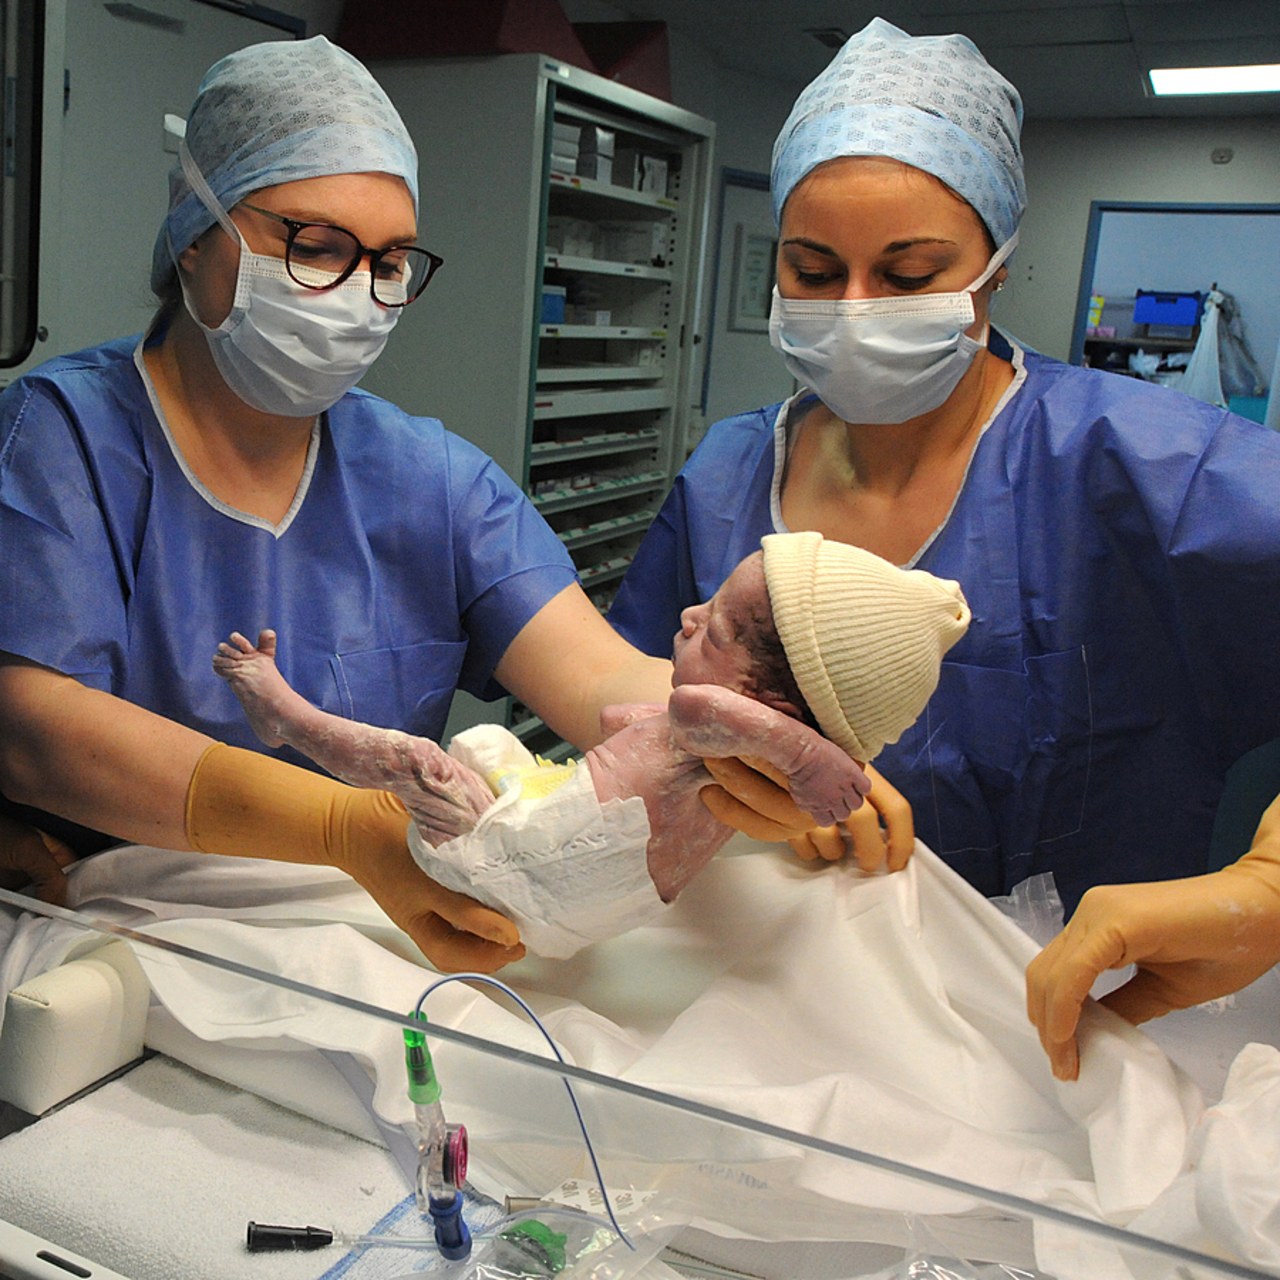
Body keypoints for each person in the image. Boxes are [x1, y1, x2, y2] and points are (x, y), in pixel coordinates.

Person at [606, 17, 1280, 1075]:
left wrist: (1273, 878)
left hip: (1070, 1019)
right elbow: (642, 693)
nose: (856, 309)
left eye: (910, 270)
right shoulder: (728, 474)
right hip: (770, 1002)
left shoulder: (1136, 465)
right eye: (812, 268)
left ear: (998, 267)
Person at [0, 35, 737, 973]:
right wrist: (345, 824)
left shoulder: (428, 477)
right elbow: (37, 733)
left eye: (389, 263)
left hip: (372, 946)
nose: (358, 294)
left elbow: (595, 680)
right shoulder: (58, 443)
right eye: (315, 248)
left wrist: (738, 735)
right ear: (195, 236)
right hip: (110, 944)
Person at [212, 532, 968, 957]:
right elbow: (615, 722)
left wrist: (816, 761)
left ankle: (286, 717)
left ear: (769, 706)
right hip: (561, 870)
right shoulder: (710, 736)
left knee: (421, 764)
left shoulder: (722, 723)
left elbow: (704, 704)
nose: (690, 614)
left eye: (724, 628)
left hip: (537, 874)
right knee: (485, 754)